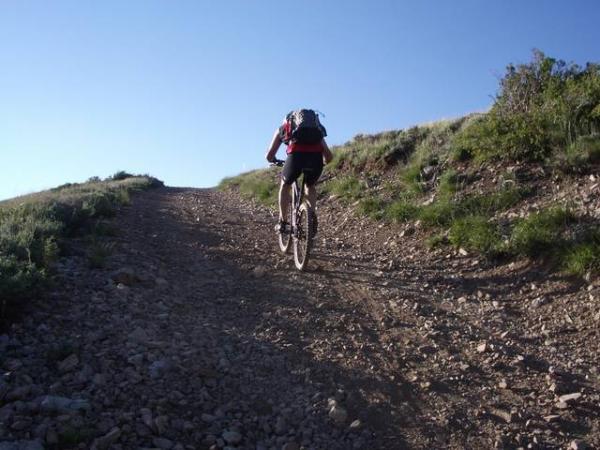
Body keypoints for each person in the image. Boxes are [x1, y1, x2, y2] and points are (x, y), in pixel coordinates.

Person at [265, 109, 333, 234]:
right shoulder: (316, 132)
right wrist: (322, 163)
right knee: (310, 185)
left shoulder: (284, 128)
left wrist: (274, 160)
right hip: (315, 160)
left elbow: (269, 155)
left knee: (285, 185)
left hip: (295, 157)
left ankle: (283, 222)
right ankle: (311, 218)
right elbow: (329, 156)